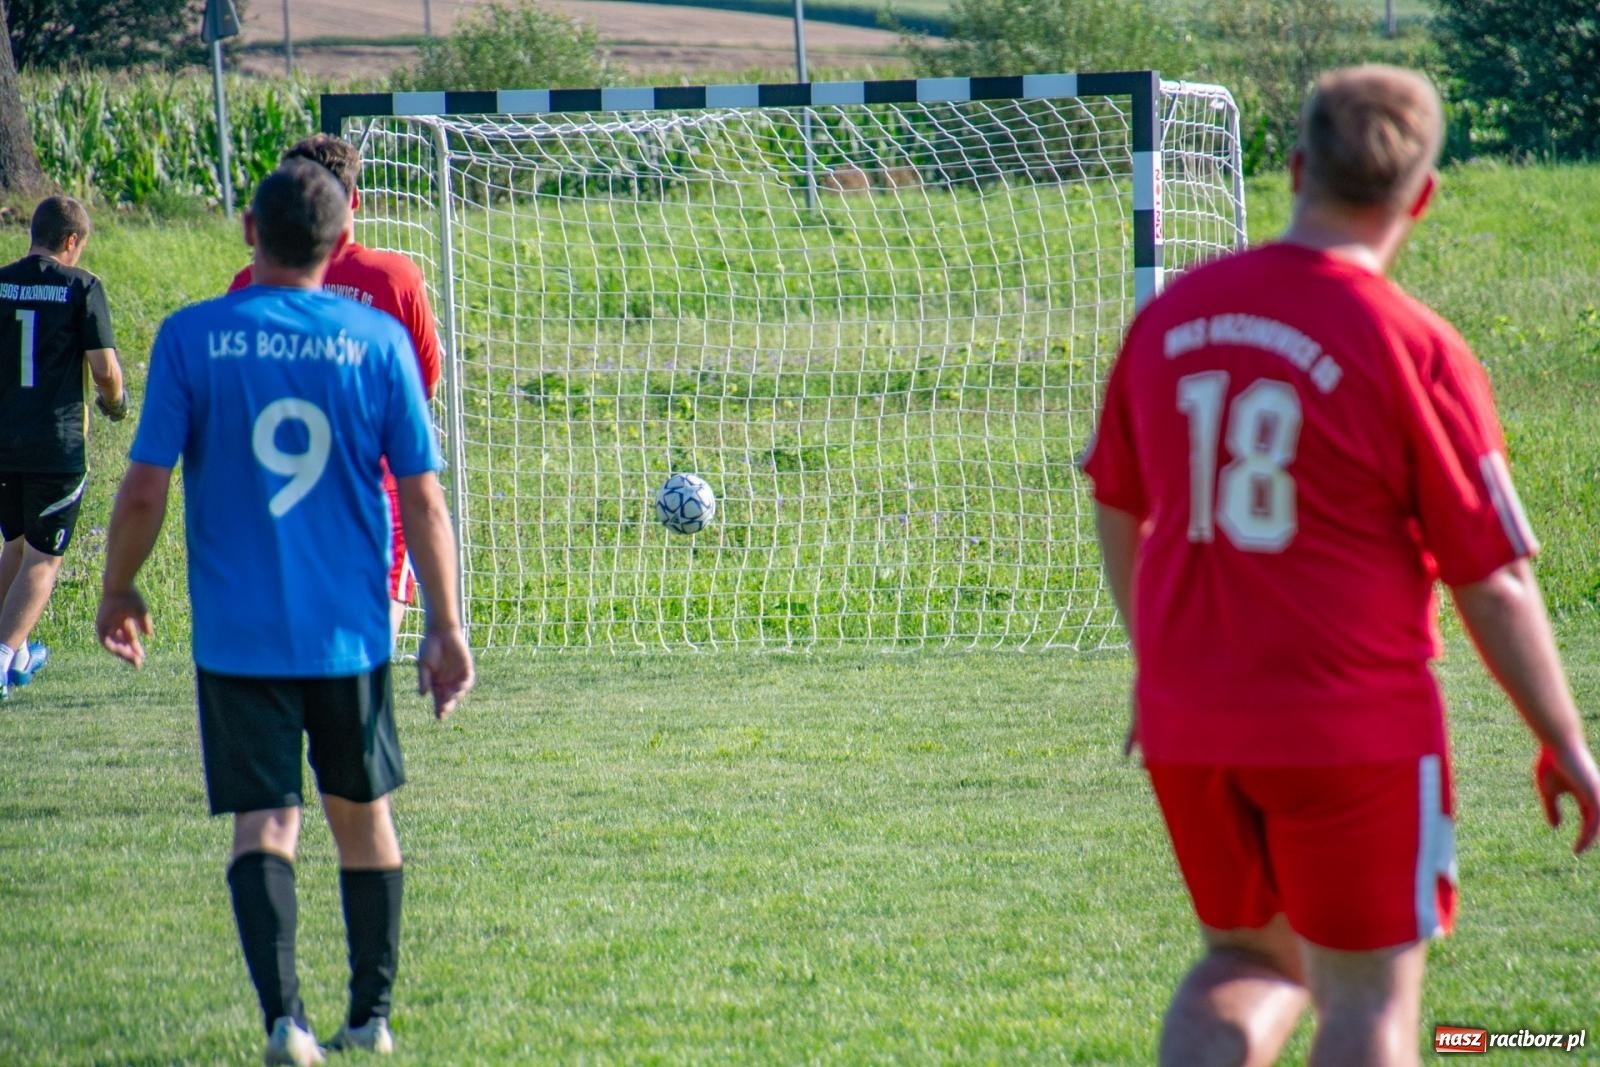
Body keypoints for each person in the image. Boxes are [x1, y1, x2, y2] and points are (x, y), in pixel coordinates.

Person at [1083, 65, 1600, 1066]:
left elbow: (1114, 496)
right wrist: (1565, 739)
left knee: (1244, 963)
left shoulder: (1172, 317)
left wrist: (1155, 662)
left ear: (1293, 169)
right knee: (1365, 996)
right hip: (1348, 725)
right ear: (1423, 196)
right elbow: (1491, 577)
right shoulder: (1413, 346)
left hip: (1192, 719)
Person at [96, 159, 474, 1066]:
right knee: (364, 816)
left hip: (239, 636)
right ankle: (371, 1018)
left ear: (248, 233)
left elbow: (144, 487)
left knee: (265, 824)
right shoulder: (376, 339)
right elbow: (422, 498)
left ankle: (285, 1023)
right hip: (350, 631)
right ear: (342, 241)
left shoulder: (191, 336)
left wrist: (118, 584)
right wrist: (446, 624)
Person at [229, 134, 444, 643]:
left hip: (277, 485)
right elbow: (424, 386)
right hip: (373, 487)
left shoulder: (248, 284)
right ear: (355, 199)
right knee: (365, 652)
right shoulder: (394, 278)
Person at [0, 195, 127, 699]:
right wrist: (115, 403)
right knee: (43, 558)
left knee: (13, 546)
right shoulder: (81, 287)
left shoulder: (1, 282)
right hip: (55, 444)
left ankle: (16, 651)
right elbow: (105, 370)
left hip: (4, 441)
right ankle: (3, 660)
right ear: (72, 241)